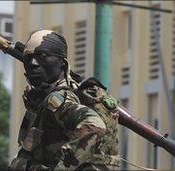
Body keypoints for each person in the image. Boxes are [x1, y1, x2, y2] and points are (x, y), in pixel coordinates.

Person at [9, 30, 120, 170]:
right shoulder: (47, 98)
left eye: (42, 56)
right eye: (28, 58)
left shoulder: (57, 99)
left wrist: (62, 167)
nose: (33, 63)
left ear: (62, 63)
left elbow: (94, 126)